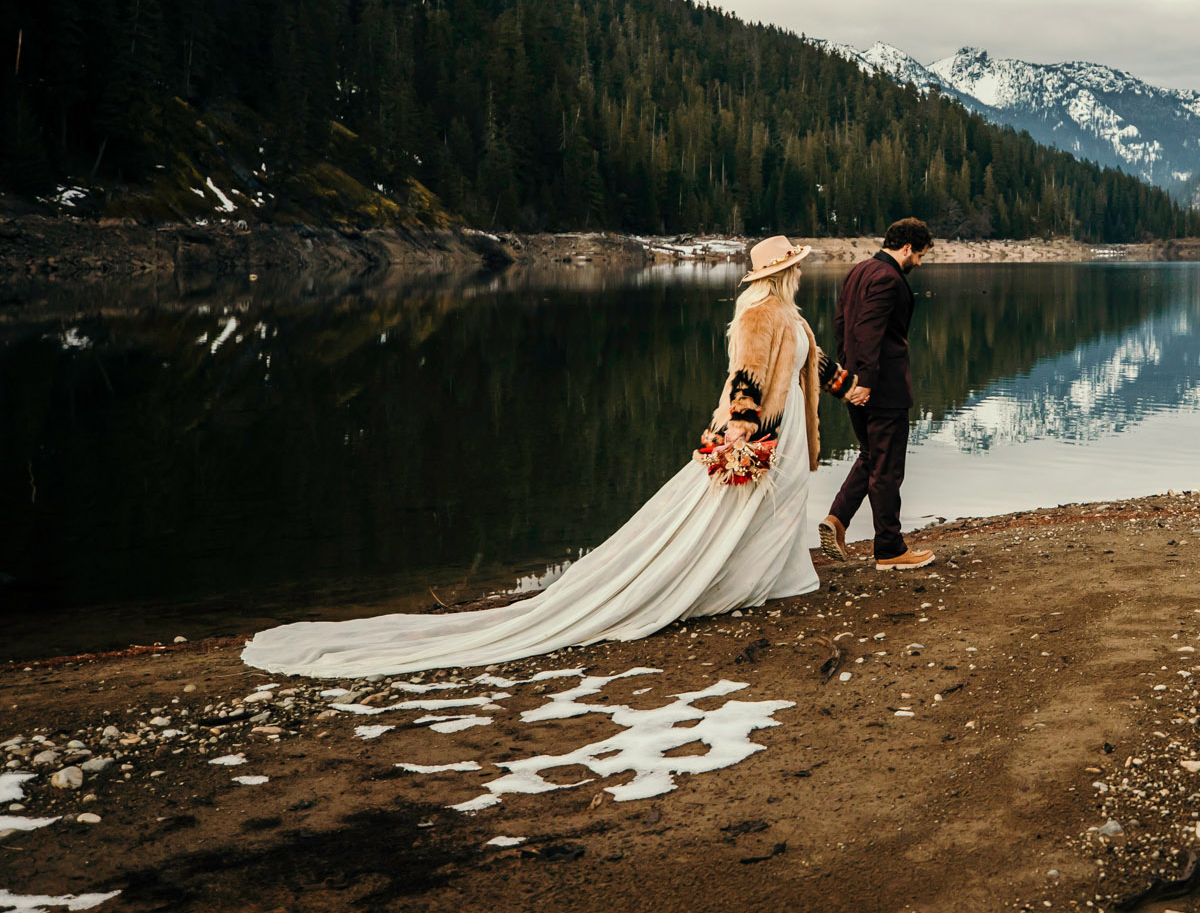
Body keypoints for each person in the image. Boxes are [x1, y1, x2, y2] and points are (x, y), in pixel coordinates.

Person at [241, 236, 826, 677]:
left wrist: (845, 387)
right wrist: (741, 433)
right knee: (752, 508)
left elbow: (806, 368)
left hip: (790, 431)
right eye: (794, 266)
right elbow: (744, 379)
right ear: (784, 272)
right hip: (764, 433)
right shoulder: (759, 314)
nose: (799, 271)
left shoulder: (791, 315)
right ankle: (739, 580)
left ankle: (776, 574)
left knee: (781, 506)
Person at [821, 218, 935, 571]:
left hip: (857, 385)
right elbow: (868, 332)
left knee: (870, 456)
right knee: (887, 470)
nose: (919, 262)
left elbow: (842, 327)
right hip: (882, 390)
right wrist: (866, 382)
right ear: (906, 248)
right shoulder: (887, 278)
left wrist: (850, 378)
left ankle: (837, 519)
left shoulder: (858, 271)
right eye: (919, 255)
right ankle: (889, 549)